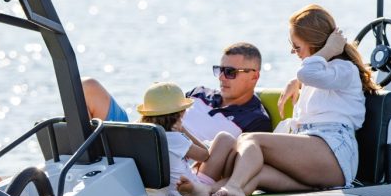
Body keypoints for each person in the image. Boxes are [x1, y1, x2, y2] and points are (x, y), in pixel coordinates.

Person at [177, 4, 379, 196]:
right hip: (316, 158)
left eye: (297, 46)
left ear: (316, 43)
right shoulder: (323, 73)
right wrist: (297, 81)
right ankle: (209, 193)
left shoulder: (345, 69)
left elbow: (308, 72)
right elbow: (310, 75)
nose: (293, 52)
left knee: (251, 140)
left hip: (335, 153)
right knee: (257, 172)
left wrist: (327, 51)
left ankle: (233, 187)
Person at [81, 42, 272, 138]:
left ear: (254, 76)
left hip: (167, 163)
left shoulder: (255, 121)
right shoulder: (198, 93)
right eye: (219, 70)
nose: (221, 77)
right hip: (140, 137)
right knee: (88, 86)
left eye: (230, 72)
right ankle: (77, 162)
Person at [137, 82, 236, 196]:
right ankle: (224, 189)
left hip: (168, 190)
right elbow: (204, 155)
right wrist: (183, 130)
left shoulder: (144, 136)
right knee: (225, 139)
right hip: (191, 191)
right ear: (181, 112)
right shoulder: (175, 138)